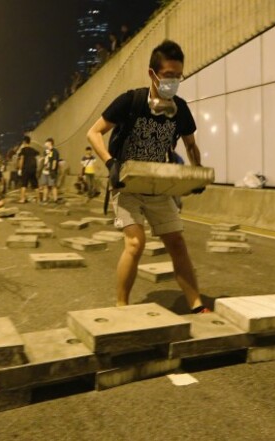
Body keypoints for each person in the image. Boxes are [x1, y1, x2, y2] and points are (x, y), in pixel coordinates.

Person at [86, 39, 209, 312]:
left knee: (177, 242)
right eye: (168, 76)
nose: (174, 82)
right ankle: (122, 306)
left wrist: (197, 173)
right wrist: (110, 164)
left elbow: (190, 144)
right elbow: (93, 132)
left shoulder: (180, 109)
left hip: (157, 185)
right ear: (152, 74)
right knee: (135, 242)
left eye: (178, 76)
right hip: (126, 184)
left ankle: (196, 304)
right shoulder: (131, 101)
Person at [16, 135, 39, 204]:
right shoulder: (33, 150)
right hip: (33, 169)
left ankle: (22, 199)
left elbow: (22, 159)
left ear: (24, 142)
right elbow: (37, 157)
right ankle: (38, 199)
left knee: (24, 184)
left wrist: (20, 169)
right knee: (35, 184)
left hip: (26, 168)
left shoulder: (23, 150)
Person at [38, 138, 59, 204]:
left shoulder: (55, 151)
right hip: (45, 170)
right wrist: (42, 159)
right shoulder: (45, 151)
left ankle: (56, 199)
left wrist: (53, 170)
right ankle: (45, 199)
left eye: (46, 142)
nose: (45, 144)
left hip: (51, 171)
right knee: (45, 185)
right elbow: (45, 159)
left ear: (50, 143)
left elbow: (55, 161)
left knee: (53, 186)